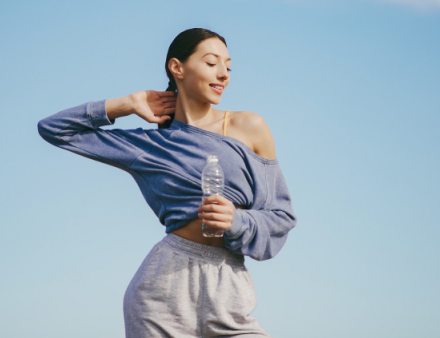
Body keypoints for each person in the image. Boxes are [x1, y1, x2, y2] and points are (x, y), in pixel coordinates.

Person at [37, 27, 297, 337]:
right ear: (177, 68)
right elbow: (54, 129)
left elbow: (280, 216)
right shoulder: (148, 146)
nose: (224, 73)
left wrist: (237, 220)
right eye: (212, 62)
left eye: (228, 66)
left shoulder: (248, 127)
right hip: (161, 291)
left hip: (227, 285)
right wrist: (128, 103)